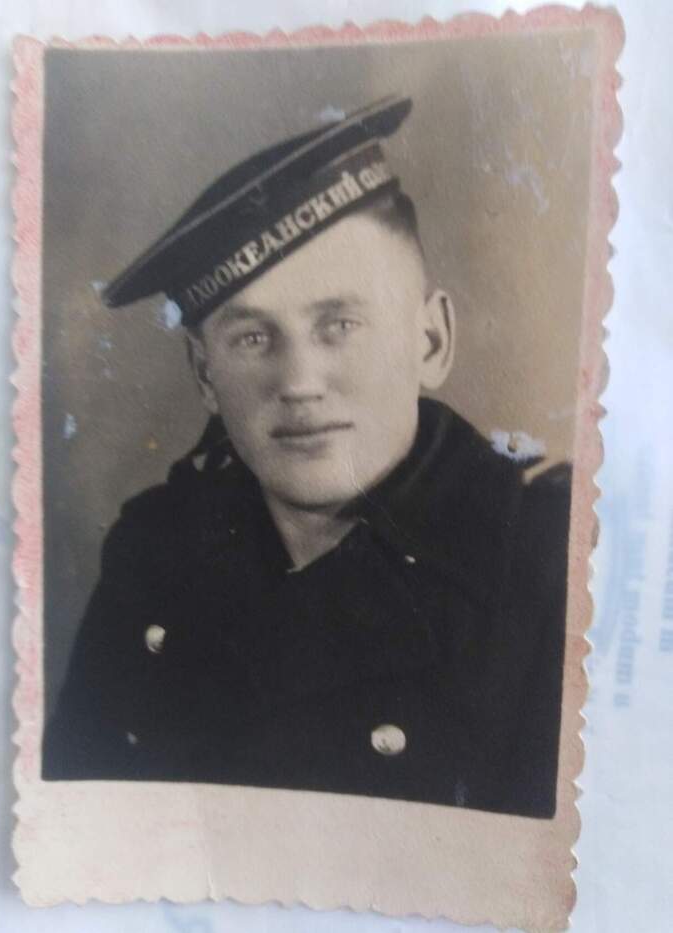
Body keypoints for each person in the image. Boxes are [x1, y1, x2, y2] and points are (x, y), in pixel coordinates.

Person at [43, 96, 570, 818]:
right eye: (253, 338)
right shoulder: (156, 549)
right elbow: (79, 829)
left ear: (431, 341)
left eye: (339, 325)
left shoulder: (547, 566)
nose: (297, 383)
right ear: (204, 373)